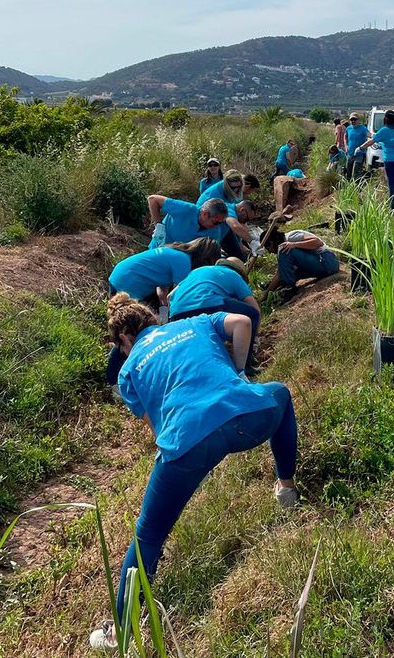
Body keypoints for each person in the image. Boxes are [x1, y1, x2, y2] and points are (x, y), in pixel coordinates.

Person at [88, 294, 300, 651]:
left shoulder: (128, 371)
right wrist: (238, 371)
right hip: (247, 415)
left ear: (124, 339)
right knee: (280, 393)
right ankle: (287, 488)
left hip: (187, 445)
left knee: (148, 534)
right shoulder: (194, 323)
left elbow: (157, 428)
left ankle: (119, 633)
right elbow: (242, 323)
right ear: (152, 320)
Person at [104, 238, 222, 385]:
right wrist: (170, 324)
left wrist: (164, 320)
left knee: (142, 329)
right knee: (131, 332)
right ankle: (113, 379)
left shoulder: (175, 253)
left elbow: (163, 291)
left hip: (122, 275)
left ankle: (131, 370)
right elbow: (180, 296)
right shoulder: (184, 263)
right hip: (129, 284)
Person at [168, 258, 262, 375]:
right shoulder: (234, 275)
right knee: (252, 314)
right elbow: (255, 309)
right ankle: (245, 367)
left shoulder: (197, 271)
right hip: (207, 303)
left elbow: (169, 296)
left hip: (176, 312)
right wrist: (253, 336)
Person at [357, 110, 394, 209]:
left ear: (385, 119)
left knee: (391, 183)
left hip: (391, 161)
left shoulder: (384, 130)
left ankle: (392, 207)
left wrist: (360, 148)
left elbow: (371, 141)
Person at [266, 229, 340, 304]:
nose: (269, 252)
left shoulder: (291, 237)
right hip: (321, 265)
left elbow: (318, 242)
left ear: (271, 243)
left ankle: (290, 291)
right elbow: (280, 273)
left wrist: (294, 244)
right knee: (286, 273)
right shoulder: (285, 248)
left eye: (267, 249)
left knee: (283, 249)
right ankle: (279, 287)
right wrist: (265, 296)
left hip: (327, 261)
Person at [198, 171, 261, 251]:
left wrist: (248, 237)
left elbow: (240, 219)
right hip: (205, 225)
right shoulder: (217, 197)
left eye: (239, 187)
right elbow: (234, 224)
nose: (236, 189)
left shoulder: (235, 193)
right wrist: (251, 241)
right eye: (233, 188)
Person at [146, 195, 228, 249]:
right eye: (215, 222)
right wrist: (159, 226)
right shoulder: (186, 209)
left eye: (221, 223)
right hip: (157, 249)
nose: (217, 226)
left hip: (178, 261)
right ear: (204, 214)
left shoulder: (215, 232)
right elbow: (153, 199)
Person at [344, 112, 370, 180]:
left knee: (356, 172)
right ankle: (348, 185)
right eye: (351, 119)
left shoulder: (363, 128)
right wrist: (346, 146)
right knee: (348, 171)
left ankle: (356, 185)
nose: (353, 121)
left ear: (358, 120)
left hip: (360, 154)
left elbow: (369, 135)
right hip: (350, 153)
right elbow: (345, 136)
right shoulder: (348, 128)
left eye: (355, 119)